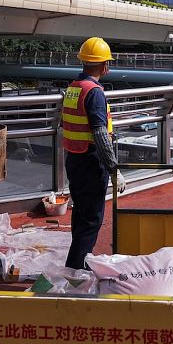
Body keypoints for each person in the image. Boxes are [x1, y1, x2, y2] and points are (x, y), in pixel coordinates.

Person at [62, 37, 120, 270]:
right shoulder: (94, 92)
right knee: (91, 220)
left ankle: (79, 264)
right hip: (91, 162)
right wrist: (114, 170)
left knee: (81, 216)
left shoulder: (73, 88)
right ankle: (75, 270)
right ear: (104, 65)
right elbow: (99, 133)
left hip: (74, 159)